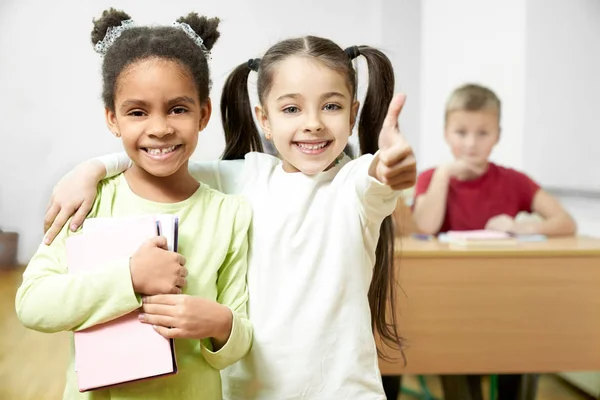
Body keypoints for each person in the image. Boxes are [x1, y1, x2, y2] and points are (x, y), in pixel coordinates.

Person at [43, 35, 417, 399]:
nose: (313, 123)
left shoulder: (354, 184)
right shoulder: (241, 177)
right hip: (247, 391)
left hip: (344, 391)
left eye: (331, 106)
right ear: (264, 119)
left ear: (353, 114)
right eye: (291, 109)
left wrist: (392, 167)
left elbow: (380, 176)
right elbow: (160, 156)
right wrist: (90, 169)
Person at [15, 9, 253, 400]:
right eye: (137, 112)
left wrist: (220, 323)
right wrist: (130, 278)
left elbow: (237, 340)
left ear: (204, 113)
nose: (159, 128)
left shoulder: (229, 214)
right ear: (113, 119)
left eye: (178, 108)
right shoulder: (89, 201)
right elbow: (33, 305)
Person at [412, 83, 577, 400]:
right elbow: (426, 225)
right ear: (446, 133)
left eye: (482, 133)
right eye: (461, 132)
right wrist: (445, 175)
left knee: (521, 348)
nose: (471, 143)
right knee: (460, 367)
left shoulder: (514, 181)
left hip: (507, 300)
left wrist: (519, 226)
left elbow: (565, 222)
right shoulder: (431, 178)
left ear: (497, 135)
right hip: (450, 303)